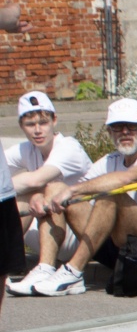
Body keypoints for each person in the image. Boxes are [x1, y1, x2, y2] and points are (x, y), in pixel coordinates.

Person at [24, 98, 137, 297]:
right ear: (109, 132)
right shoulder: (108, 161)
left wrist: (72, 191)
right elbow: (72, 190)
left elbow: (125, 178)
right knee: (55, 188)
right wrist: (40, 197)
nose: (125, 132)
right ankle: (45, 268)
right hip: (118, 249)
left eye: (132, 126)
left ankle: (74, 271)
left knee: (111, 193)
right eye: (117, 127)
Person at [5, 91, 95, 298]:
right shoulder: (26, 150)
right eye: (30, 124)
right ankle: (5, 264)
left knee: (50, 189)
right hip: (49, 232)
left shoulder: (68, 147)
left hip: (82, 235)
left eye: (43, 123)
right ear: (21, 126)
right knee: (16, 200)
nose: (38, 130)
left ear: (54, 120)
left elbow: (36, 180)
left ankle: (45, 268)